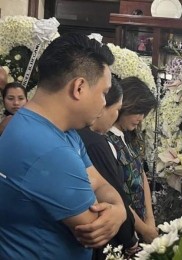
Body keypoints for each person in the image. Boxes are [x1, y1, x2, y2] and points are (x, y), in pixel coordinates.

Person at [0, 33, 127, 259]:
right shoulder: (49, 150)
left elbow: (98, 183)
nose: (105, 103)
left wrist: (118, 210)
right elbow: (95, 229)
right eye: (104, 93)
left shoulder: (56, 129)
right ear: (79, 87)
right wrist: (117, 211)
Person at [78, 77, 139, 259]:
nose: (116, 116)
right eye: (117, 110)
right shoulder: (95, 142)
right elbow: (112, 189)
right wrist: (130, 240)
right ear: (102, 106)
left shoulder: (74, 134)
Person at [107, 76, 158, 243]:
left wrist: (149, 219)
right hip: (124, 227)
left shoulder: (130, 136)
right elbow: (117, 195)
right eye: (137, 111)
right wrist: (143, 229)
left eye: (144, 113)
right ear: (124, 105)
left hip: (141, 222)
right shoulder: (107, 140)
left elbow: (141, 174)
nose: (141, 118)